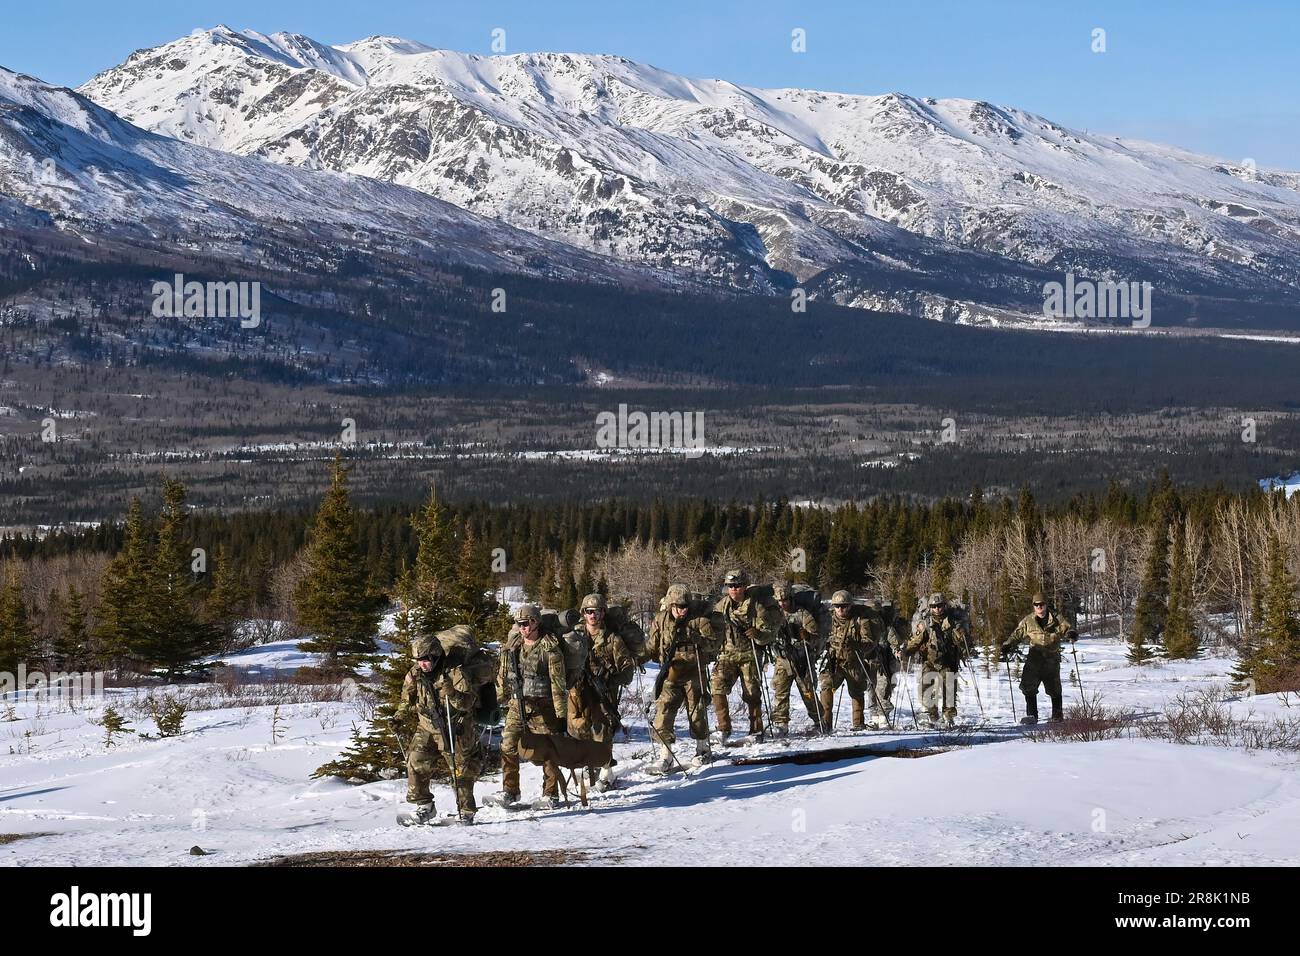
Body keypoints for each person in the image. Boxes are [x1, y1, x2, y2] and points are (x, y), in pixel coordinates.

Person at [396, 625, 490, 825]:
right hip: (427, 725)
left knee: (461, 770)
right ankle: (424, 806)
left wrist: (452, 693)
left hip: (454, 726)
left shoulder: (455, 672)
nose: (423, 664)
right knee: (415, 760)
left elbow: (467, 703)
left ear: (436, 656)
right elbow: (407, 699)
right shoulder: (415, 673)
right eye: (419, 660)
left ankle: (466, 811)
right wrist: (398, 717)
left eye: (426, 659)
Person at [488, 604, 569, 809]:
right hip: (517, 704)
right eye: (519, 624)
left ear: (535, 622)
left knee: (549, 750)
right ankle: (510, 791)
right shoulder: (513, 646)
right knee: (508, 745)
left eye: (526, 623)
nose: (522, 627)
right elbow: (503, 675)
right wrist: (498, 700)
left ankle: (551, 794)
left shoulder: (549, 648)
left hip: (543, 706)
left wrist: (561, 715)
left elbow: (557, 683)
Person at [566, 592, 641, 791]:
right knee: (578, 728)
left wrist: (609, 678)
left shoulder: (612, 639)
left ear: (603, 613)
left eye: (596, 611)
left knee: (602, 729)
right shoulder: (575, 635)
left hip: (603, 692)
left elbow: (627, 671)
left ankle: (607, 771)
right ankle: (586, 767)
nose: (592, 616)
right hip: (580, 689)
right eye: (589, 612)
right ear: (584, 613)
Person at [646, 584, 719, 772]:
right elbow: (652, 646)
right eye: (678, 606)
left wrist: (698, 639)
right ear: (670, 605)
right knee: (664, 710)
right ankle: (666, 755)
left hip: (694, 671)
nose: (682, 610)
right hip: (671, 671)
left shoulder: (699, 620)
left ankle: (703, 749)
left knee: (697, 710)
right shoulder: (660, 620)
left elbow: (713, 645)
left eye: (685, 606)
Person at [711, 570, 777, 742]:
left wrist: (758, 634)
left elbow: (769, 633)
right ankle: (723, 728)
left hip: (750, 654)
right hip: (727, 655)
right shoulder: (721, 606)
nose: (734, 589)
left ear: (745, 586)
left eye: (737, 585)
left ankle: (756, 730)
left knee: (752, 693)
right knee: (716, 685)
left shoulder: (756, 606)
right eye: (730, 586)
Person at [1002, 591, 1077, 725]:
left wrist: (1071, 634)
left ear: (1046, 604)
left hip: (1051, 660)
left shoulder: (1056, 619)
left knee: (1054, 689)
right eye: (1036, 605)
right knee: (1028, 687)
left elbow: (1068, 629)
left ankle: (1057, 717)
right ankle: (1032, 717)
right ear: (1033, 606)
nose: (1039, 607)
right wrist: (1008, 645)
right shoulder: (1028, 621)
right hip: (1034, 660)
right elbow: (1017, 634)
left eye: (1041, 604)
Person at [902, 593, 970, 727]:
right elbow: (917, 640)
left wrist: (959, 633)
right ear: (930, 608)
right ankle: (931, 715)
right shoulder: (927, 623)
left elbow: (962, 642)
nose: (937, 609)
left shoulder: (953, 621)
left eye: (939, 606)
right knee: (926, 687)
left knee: (949, 689)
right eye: (933, 606)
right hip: (930, 660)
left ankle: (948, 717)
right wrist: (906, 651)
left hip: (948, 660)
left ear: (944, 606)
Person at [818, 590, 880, 732]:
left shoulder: (860, 620)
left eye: (844, 606)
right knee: (826, 687)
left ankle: (858, 724)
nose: (840, 609)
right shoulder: (828, 620)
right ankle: (825, 724)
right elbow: (820, 637)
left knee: (857, 692)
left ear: (850, 606)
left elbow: (869, 642)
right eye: (837, 606)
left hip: (854, 661)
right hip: (834, 661)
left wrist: (856, 644)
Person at [769, 582, 825, 735]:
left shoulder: (802, 614)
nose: (782, 604)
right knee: (780, 691)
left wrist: (806, 636)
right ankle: (781, 724)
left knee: (807, 692)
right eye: (779, 601)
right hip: (783, 659)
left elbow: (816, 637)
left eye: (785, 600)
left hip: (801, 658)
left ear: (791, 598)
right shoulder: (773, 614)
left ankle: (819, 722)